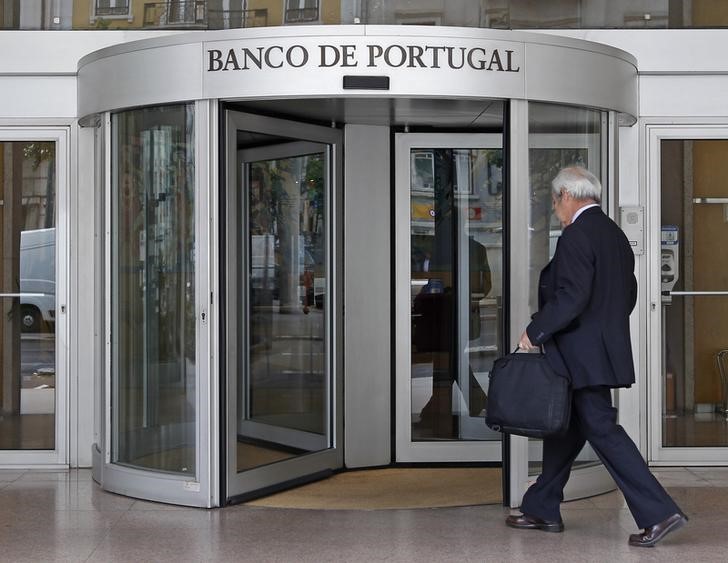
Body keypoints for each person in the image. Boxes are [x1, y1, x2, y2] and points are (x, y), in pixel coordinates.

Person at [506, 167, 687, 548]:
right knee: (567, 426)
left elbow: (571, 296)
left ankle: (658, 512)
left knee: (602, 429)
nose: (556, 209)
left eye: (555, 201)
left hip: (579, 354)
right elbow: (628, 294)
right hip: (599, 351)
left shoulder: (576, 235)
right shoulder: (615, 235)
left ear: (568, 195)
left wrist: (535, 330)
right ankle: (542, 506)